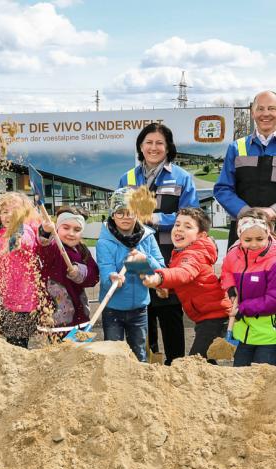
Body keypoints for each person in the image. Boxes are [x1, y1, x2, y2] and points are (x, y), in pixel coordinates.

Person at [119, 122, 199, 365]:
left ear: (168, 147)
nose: (153, 148)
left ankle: (175, 365)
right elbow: (118, 213)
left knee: (170, 313)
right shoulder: (128, 177)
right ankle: (149, 365)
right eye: (148, 142)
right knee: (144, 313)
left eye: (159, 143)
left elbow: (192, 216)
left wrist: (157, 219)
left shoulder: (181, 177)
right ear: (140, 146)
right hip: (138, 255)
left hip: (169, 256)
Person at [143, 208, 231, 361]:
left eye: (188, 226)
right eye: (177, 225)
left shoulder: (193, 254)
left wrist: (159, 278)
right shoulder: (182, 252)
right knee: (205, 361)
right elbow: (188, 282)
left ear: (201, 235)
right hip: (206, 316)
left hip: (214, 317)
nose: (179, 229)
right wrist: (169, 289)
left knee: (196, 361)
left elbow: (184, 273)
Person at [96, 188, 165, 362]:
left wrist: (144, 260)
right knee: (113, 355)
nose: (126, 217)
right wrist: (111, 278)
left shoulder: (147, 237)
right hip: (113, 309)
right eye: (120, 212)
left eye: (130, 212)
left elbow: (160, 268)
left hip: (140, 309)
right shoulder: (104, 242)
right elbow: (105, 271)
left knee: (139, 353)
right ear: (112, 215)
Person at [214, 90, 276, 248]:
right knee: (238, 272)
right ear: (253, 113)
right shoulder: (236, 147)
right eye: (260, 109)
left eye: (272, 108)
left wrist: (273, 211)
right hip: (242, 231)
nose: (266, 113)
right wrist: (245, 212)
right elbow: (223, 188)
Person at [220, 208, 276, 366]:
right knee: (239, 375)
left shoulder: (274, 261)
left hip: (269, 336)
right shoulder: (234, 254)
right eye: (248, 239)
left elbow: (273, 300)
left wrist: (243, 308)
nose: (254, 244)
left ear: (268, 233)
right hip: (243, 333)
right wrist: (230, 288)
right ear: (240, 236)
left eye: (260, 238)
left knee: (262, 379)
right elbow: (227, 271)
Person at [0, 192, 41, 348]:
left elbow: (26, 241)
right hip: (7, 299)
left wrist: (18, 241)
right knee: (11, 342)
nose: (8, 215)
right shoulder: (2, 234)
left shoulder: (24, 230)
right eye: (4, 211)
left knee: (17, 343)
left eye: (14, 210)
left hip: (23, 302)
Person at [37, 206, 99, 334]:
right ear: (57, 228)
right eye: (66, 228)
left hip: (80, 317)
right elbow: (43, 247)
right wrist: (46, 232)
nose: (71, 233)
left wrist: (79, 272)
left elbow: (94, 277)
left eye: (77, 230)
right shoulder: (53, 247)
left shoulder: (82, 251)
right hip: (54, 319)